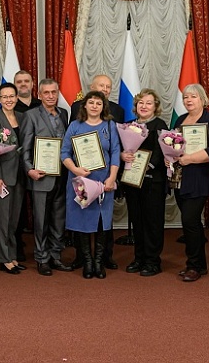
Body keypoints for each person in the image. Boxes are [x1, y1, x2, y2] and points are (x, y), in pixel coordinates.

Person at [62, 91, 121, 279]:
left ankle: (98, 262)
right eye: (91, 102)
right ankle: (87, 262)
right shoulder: (74, 126)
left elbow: (115, 153)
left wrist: (112, 178)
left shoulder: (110, 126)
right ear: (84, 105)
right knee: (82, 220)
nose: (95, 106)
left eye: (99, 103)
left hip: (104, 182)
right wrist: (76, 169)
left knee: (102, 222)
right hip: (80, 181)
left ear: (103, 107)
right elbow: (64, 153)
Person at [21, 78, 73, 276]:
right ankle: (42, 258)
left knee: (58, 219)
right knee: (41, 220)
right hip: (41, 176)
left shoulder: (64, 113)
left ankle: (56, 255)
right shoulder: (31, 116)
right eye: (47, 93)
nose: (51, 96)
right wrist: (29, 169)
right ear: (39, 95)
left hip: (62, 174)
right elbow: (24, 148)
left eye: (54, 92)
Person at [172, 83, 209, 282]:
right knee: (191, 223)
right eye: (185, 98)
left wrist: (190, 158)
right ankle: (200, 264)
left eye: (193, 97)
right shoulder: (181, 120)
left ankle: (193, 266)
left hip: (200, 177)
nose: (189, 100)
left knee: (189, 221)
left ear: (203, 99)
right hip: (180, 178)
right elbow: (174, 145)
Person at [121, 89, 168, 277]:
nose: (144, 106)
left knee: (153, 221)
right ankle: (139, 257)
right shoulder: (127, 126)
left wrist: (148, 165)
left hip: (153, 181)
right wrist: (122, 155)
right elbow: (121, 148)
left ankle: (152, 261)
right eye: (141, 102)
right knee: (137, 219)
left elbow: (161, 149)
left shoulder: (160, 124)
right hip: (132, 180)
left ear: (155, 106)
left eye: (149, 103)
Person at [0, 83, 26, 274]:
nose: (9, 99)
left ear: (17, 98)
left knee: (14, 219)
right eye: (5, 97)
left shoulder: (23, 117)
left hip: (21, 175)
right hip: (3, 177)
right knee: (3, 219)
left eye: (12, 96)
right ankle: (3, 258)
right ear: (0, 100)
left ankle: (12, 255)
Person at [12, 70, 40, 262]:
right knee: (19, 208)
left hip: (42, 164)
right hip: (18, 165)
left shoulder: (42, 105)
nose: (23, 84)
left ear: (32, 84)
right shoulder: (10, 107)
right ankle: (17, 245)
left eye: (26, 81)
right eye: (19, 82)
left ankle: (42, 245)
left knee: (40, 207)